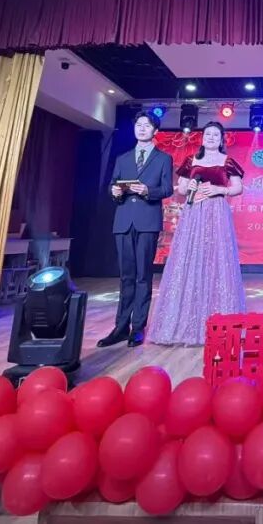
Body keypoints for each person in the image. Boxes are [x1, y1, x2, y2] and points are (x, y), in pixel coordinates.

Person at [148, 121, 245, 346]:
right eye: (207, 134)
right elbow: (181, 189)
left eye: (215, 135)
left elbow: (238, 188)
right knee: (190, 259)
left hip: (217, 212)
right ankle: (185, 322)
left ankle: (218, 321)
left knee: (217, 261)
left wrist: (220, 189)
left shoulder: (227, 161)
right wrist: (189, 186)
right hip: (194, 213)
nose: (211, 138)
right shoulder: (191, 160)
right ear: (202, 138)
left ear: (221, 139)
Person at [99, 112, 174, 348]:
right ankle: (120, 327)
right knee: (126, 276)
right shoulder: (123, 158)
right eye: (138, 125)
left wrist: (148, 191)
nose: (141, 128)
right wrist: (114, 192)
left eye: (147, 125)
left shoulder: (163, 158)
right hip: (123, 221)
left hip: (147, 221)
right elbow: (113, 185)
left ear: (155, 131)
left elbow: (167, 189)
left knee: (143, 276)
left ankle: (138, 327)